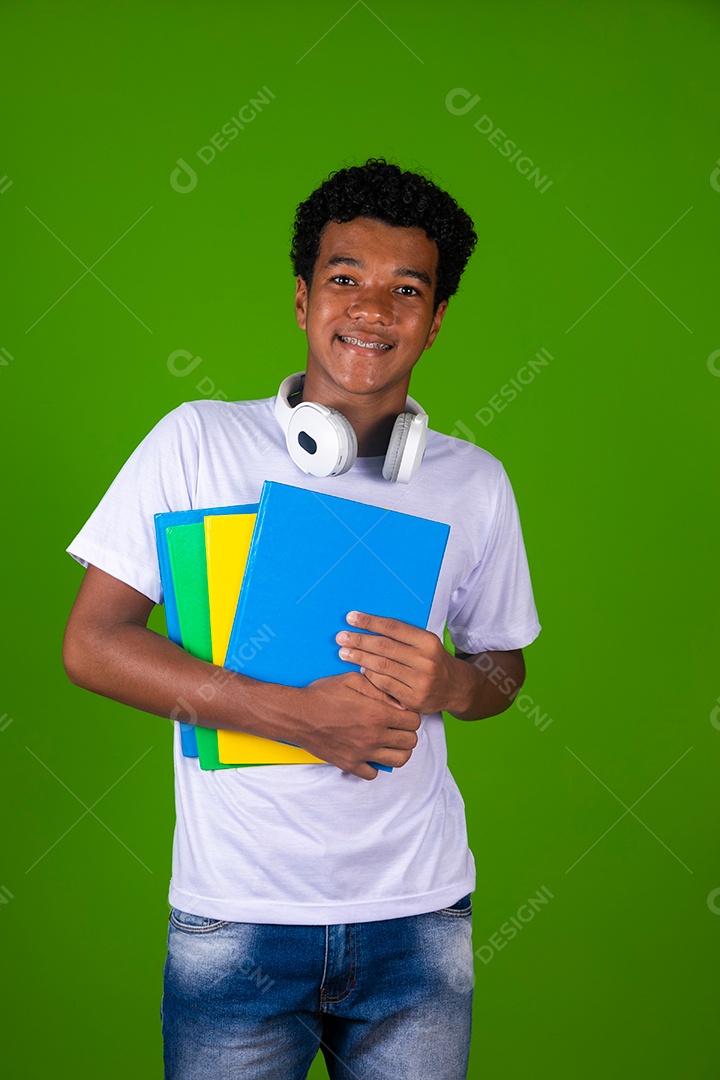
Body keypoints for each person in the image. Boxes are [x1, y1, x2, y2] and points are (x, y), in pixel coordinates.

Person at [63, 158, 541, 1080]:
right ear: (301, 298)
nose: (373, 309)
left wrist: (455, 682)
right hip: (234, 915)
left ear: (436, 320)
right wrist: (295, 717)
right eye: (345, 279)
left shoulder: (474, 483)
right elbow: (92, 644)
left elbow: (505, 672)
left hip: (418, 916)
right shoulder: (196, 440)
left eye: (407, 289)